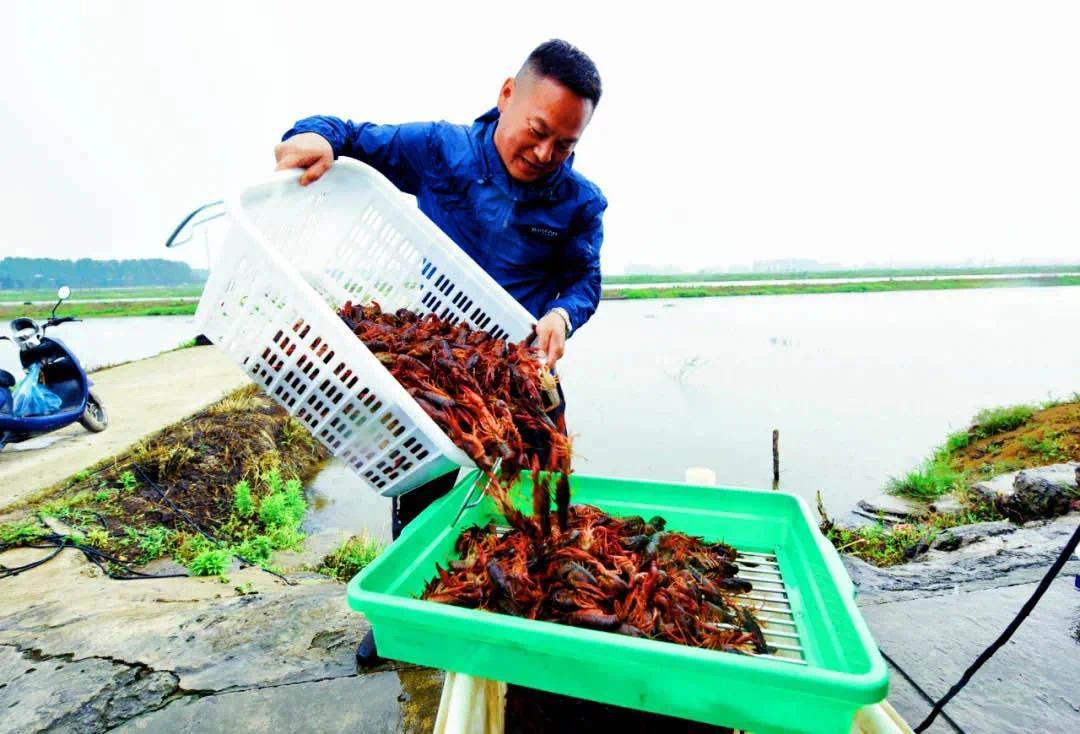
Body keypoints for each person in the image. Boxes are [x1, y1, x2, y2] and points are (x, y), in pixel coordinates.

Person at [274, 38, 606, 665]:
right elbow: (348, 133)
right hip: (440, 364)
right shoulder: (440, 150)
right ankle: (413, 616)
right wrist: (313, 136)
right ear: (507, 94)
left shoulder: (581, 202)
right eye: (536, 132)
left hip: (523, 375)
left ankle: (539, 611)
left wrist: (563, 314)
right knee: (421, 499)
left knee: (542, 498)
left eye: (565, 144)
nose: (545, 154)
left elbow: (585, 281)